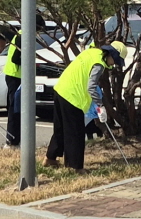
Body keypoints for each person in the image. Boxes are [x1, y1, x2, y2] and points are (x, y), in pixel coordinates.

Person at [45, 38, 123, 175]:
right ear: (111, 55)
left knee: (61, 128)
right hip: (73, 96)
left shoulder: (91, 52)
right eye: (115, 61)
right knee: (76, 132)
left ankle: (50, 158)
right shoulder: (99, 64)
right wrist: (100, 106)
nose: (114, 64)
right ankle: (75, 167)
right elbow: (91, 87)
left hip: (60, 89)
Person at [1, 29, 26, 148]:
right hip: (15, 76)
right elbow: (15, 58)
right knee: (15, 110)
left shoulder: (22, 34)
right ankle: (11, 141)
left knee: (19, 110)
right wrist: (30, 61)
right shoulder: (22, 36)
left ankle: (16, 140)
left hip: (18, 76)